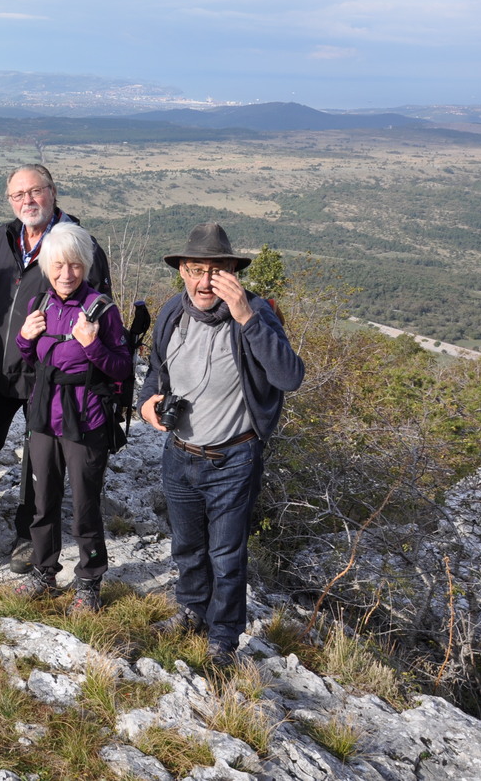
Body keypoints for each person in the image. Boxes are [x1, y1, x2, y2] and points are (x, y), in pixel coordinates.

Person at [138, 223, 304, 666]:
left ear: (233, 272)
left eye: (216, 270)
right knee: (187, 547)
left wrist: (247, 316)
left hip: (233, 458)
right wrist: (146, 404)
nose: (205, 281)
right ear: (182, 271)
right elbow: (156, 372)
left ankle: (224, 638)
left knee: (227, 555)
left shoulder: (256, 314)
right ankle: (192, 610)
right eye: (195, 269)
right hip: (180, 455)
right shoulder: (173, 312)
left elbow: (289, 377)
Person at [0, 164, 111, 572]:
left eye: (35, 191)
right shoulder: (4, 236)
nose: (27, 201)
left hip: (50, 375)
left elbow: (98, 309)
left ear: (53, 191)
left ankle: (28, 538)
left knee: (39, 462)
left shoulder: (76, 242)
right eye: (18, 195)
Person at [14, 223, 132, 611]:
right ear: (47, 266)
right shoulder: (40, 304)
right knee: (43, 500)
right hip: (44, 415)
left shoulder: (102, 309)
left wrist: (93, 345)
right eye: (59, 265)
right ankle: (43, 571)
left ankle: (89, 580)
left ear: (86, 266)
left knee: (85, 505)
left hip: (87, 417)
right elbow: (31, 358)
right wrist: (24, 338)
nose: (67, 274)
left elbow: (122, 367)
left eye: (76, 265)